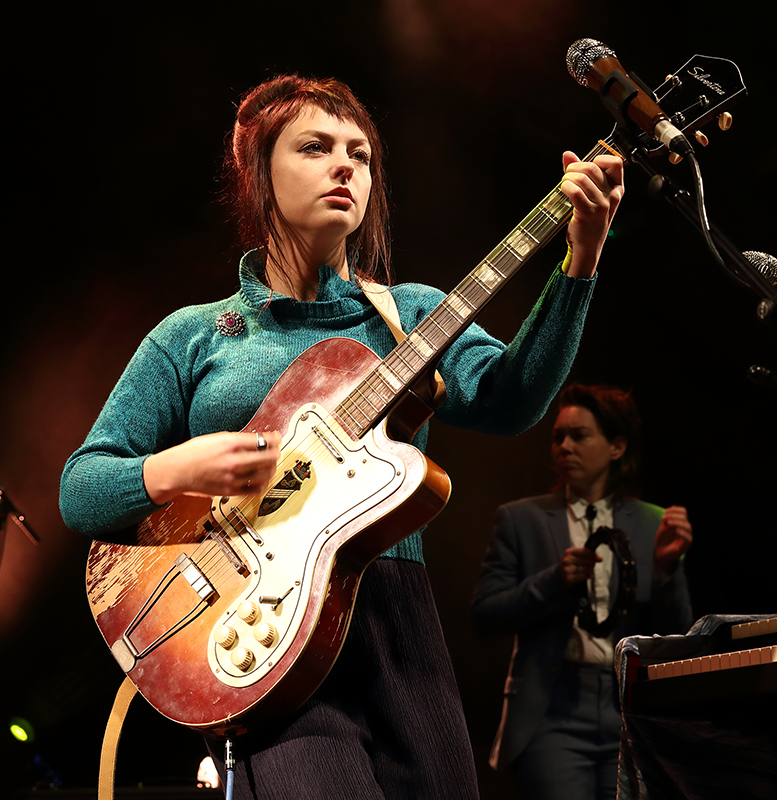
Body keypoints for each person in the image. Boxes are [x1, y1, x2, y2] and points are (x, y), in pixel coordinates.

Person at [60, 74, 624, 799]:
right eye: (316, 148)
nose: (345, 167)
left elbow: (512, 400)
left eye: (359, 155)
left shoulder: (411, 313)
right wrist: (179, 467)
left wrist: (581, 256)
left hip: (399, 627)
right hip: (261, 628)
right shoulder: (193, 336)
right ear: (258, 174)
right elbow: (81, 490)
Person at [471, 383, 694, 800]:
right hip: (551, 710)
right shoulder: (522, 518)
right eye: (558, 437)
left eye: (579, 435)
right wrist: (553, 581)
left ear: (616, 447)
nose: (564, 447)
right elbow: (485, 615)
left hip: (628, 709)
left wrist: (666, 569)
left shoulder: (654, 522)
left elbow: (679, 635)